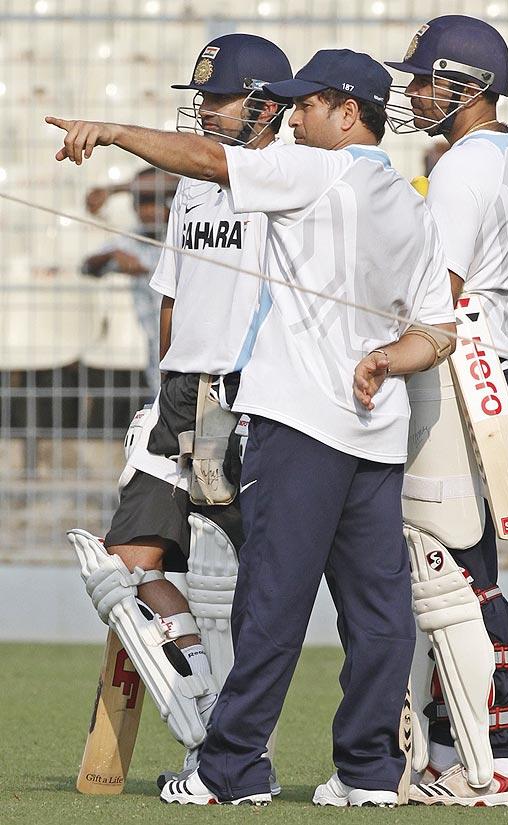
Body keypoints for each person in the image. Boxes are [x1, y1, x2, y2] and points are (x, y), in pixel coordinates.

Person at [47, 47, 457, 807]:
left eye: (307, 106)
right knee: (378, 611)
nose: (293, 119)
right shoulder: (408, 200)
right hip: (374, 433)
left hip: (299, 425)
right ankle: (367, 772)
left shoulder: (319, 169)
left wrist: (110, 131)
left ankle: (231, 768)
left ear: (347, 113)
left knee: (270, 601)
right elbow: (438, 330)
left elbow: (206, 157)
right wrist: (384, 362)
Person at [61, 32, 292, 790]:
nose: (204, 110)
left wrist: (115, 131)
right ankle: (207, 720)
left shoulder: (282, 174)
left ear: (263, 106)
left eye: (218, 98)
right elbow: (172, 295)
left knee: (244, 584)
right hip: (181, 391)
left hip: (246, 393)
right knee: (124, 569)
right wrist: (164, 389)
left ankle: (237, 748)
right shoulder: (192, 188)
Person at [377, 14, 508, 806]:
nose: (412, 93)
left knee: (454, 573)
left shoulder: (461, 170)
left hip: (463, 382)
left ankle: (497, 759)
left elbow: (433, 300)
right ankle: (454, 750)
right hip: (505, 374)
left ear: (467, 86)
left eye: (424, 80)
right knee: (464, 567)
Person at [81, 166, 177, 394]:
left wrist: (114, 189)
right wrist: (111, 255)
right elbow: (87, 267)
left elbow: (180, 178)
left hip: (189, 345)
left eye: (154, 201)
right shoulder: (131, 240)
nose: (147, 211)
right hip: (157, 352)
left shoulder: (183, 237)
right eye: (141, 203)